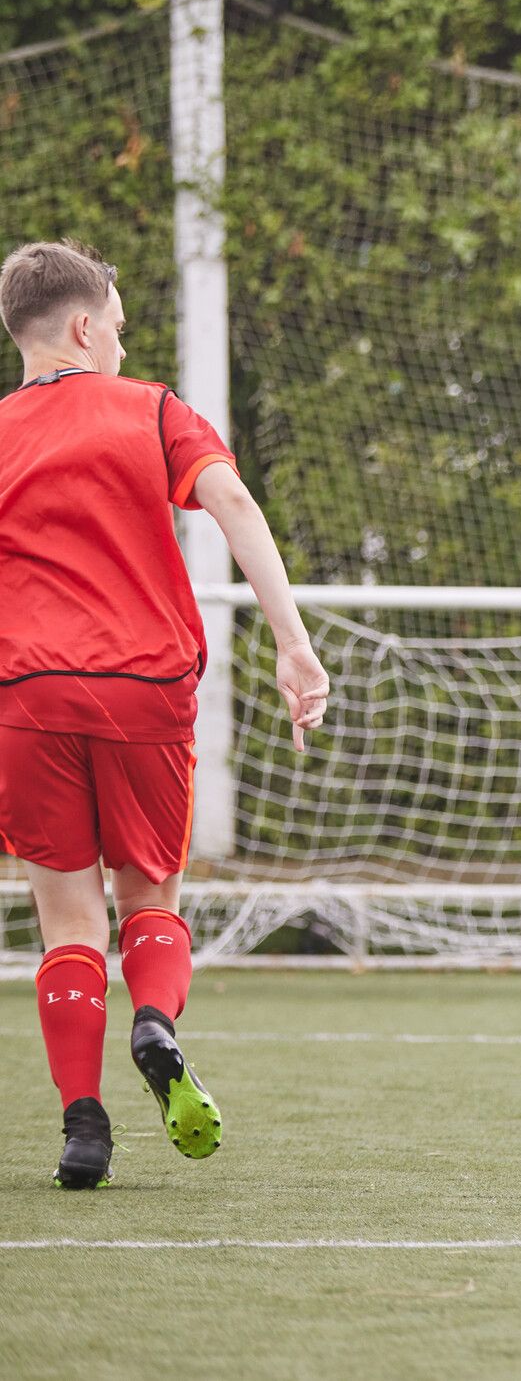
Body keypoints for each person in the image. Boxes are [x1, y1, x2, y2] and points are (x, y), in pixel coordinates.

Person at [0, 240, 328, 1190]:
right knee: (150, 896)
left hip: (28, 694)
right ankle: (156, 1022)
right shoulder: (150, 408)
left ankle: (82, 1126)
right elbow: (230, 501)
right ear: (84, 325)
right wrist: (293, 642)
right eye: (120, 327)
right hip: (143, 687)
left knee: (66, 917)